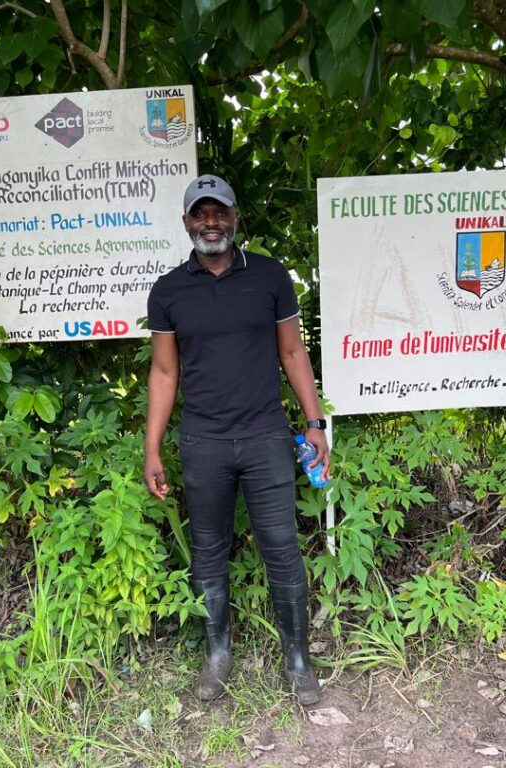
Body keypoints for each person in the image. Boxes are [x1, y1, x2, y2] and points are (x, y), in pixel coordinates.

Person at [143, 174, 329, 705]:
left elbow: (292, 353)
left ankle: (298, 660)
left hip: (266, 437)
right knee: (208, 551)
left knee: (282, 547)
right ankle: (217, 655)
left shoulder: (269, 276)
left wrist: (315, 424)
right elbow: (164, 372)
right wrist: (152, 448)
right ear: (187, 223)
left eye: (219, 212)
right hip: (203, 442)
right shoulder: (168, 291)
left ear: (234, 217)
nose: (211, 223)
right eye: (201, 214)